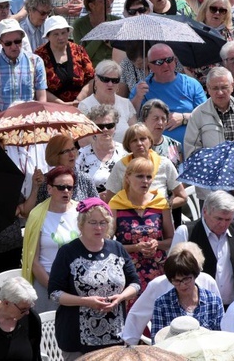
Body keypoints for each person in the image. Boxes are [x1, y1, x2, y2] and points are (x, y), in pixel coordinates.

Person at [48, 198, 138, 359]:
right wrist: (86, 301)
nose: (98, 227)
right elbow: (54, 293)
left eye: (103, 222)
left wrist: (121, 298)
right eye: (93, 222)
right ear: (81, 224)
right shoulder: (68, 252)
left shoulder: (116, 248)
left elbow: (135, 284)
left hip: (115, 336)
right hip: (76, 338)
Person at [122, 242, 221, 345]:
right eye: (177, 280)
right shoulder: (158, 287)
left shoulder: (208, 281)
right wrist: (129, 342)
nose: (183, 285)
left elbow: (219, 324)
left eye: (187, 277)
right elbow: (138, 314)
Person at [170, 190, 234, 306]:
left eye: (228, 219)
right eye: (219, 219)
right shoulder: (185, 232)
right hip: (198, 306)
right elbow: (173, 271)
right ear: (205, 212)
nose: (223, 224)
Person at [109, 157, 173, 295]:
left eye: (149, 177)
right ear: (127, 178)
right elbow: (107, 244)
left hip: (157, 272)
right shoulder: (116, 204)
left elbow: (170, 240)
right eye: (140, 176)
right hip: (127, 273)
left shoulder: (160, 202)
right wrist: (134, 248)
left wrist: (157, 244)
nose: (145, 181)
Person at [21, 166, 79, 311]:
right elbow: (33, 261)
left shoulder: (81, 212)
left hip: (78, 281)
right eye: (60, 187)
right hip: (47, 281)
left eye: (69, 187)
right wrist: (55, 288)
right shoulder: (37, 215)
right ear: (49, 189)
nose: (66, 191)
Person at [130, 44, 207, 146]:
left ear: (175, 61)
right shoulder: (142, 88)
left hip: (191, 146)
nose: (165, 65)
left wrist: (184, 118)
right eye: (159, 62)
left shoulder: (191, 84)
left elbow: (206, 115)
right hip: (157, 150)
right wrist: (138, 97)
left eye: (169, 60)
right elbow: (130, 117)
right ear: (150, 66)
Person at [104, 123, 186, 209]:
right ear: (128, 145)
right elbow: (109, 201)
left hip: (159, 217)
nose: (139, 143)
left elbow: (182, 197)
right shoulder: (121, 166)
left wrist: (163, 207)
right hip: (128, 217)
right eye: (134, 140)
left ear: (150, 141)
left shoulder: (164, 163)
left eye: (143, 139)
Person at [184, 66, 234, 160]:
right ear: (208, 89)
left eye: (224, 87)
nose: (220, 92)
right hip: (212, 171)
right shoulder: (198, 114)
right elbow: (191, 151)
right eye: (215, 88)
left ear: (232, 86)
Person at [150, 245, 224, 336]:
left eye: (186, 279)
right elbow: (157, 339)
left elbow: (220, 337)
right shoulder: (162, 303)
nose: (182, 285)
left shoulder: (213, 301)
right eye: (177, 281)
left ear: (195, 275)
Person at [0, 18, 47, 115]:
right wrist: (5, 122)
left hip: (31, 119)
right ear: (1, 43)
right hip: (2, 122)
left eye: (17, 41)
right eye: (8, 43)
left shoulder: (36, 61)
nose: (13, 46)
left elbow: (42, 97)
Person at [35, 15, 93, 106]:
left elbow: (92, 79)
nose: (61, 37)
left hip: (81, 104)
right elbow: (37, 87)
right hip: (53, 108)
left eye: (63, 33)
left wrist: (79, 99)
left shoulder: (79, 50)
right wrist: (62, 104)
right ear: (48, 36)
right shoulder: (39, 56)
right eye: (56, 34)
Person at [78, 59, 136, 144]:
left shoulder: (126, 104)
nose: (110, 84)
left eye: (115, 80)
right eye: (105, 79)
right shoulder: (85, 106)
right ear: (96, 79)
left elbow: (135, 135)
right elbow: (83, 141)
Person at [75, 104, 127, 194]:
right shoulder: (81, 155)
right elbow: (77, 187)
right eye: (100, 126)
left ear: (115, 127)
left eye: (110, 125)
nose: (105, 129)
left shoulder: (125, 152)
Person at [72, 0, 120, 67]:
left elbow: (126, 50)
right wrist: (100, 34)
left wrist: (113, 44)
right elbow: (81, 56)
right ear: (92, 6)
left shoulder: (117, 21)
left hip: (115, 69)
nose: (108, 3)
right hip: (91, 71)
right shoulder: (79, 25)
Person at [140, 98, 183, 169]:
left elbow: (180, 173)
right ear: (145, 120)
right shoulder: (138, 144)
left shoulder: (175, 145)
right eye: (156, 118)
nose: (160, 123)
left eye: (163, 119)